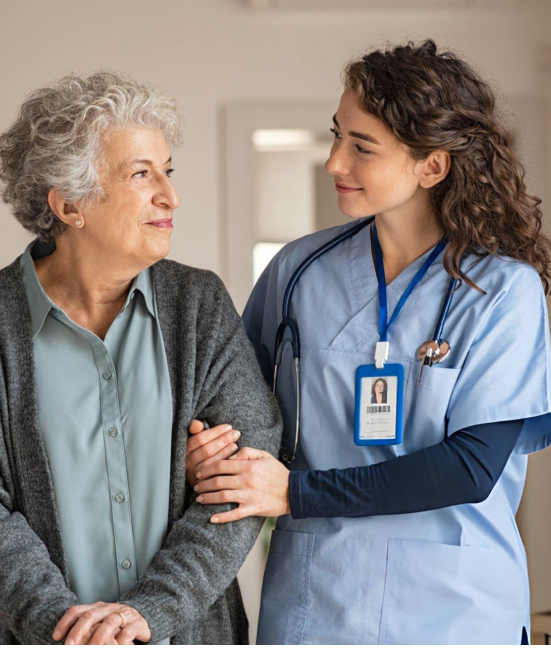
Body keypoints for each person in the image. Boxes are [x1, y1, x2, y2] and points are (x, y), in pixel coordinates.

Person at [186, 40, 551, 645]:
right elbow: (233, 406)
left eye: (362, 147)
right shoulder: (299, 271)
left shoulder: (503, 291)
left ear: (431, 166)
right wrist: (212, 451)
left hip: (453, 612)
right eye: (337, 136)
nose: (334, 162)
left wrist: (294, 492)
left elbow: (471, 466)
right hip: (317, 603)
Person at [0, 72, 282, 646]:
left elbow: (246, 474)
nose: (170, 196)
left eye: (167, 172)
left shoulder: (198, 305)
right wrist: (69, 629)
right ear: (69, 203)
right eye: (141, 175)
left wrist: (150, 612)